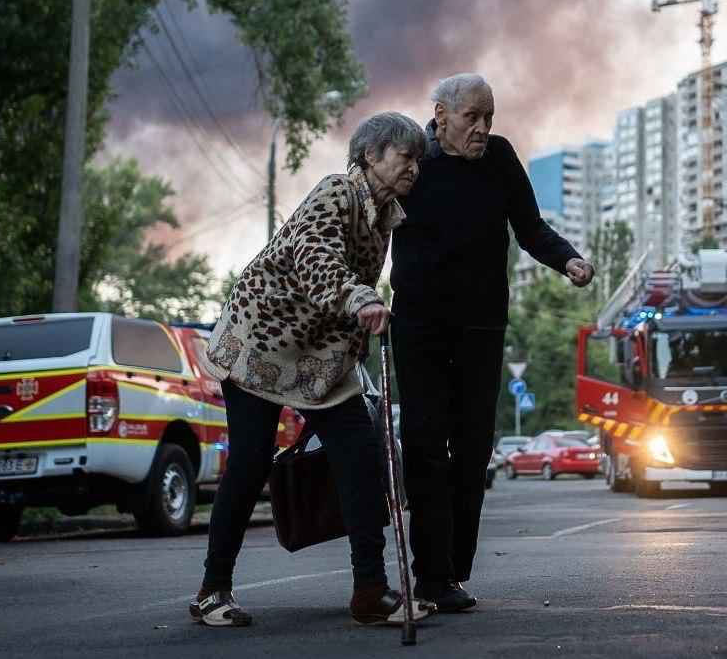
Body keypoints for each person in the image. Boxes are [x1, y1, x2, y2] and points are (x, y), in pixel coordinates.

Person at [191, 112, 433, 628]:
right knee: (251, 462)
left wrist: (360, 323)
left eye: (418, 159)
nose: (414, 167)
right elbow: (316, 257)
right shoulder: (336, 193)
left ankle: (370, 591)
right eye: (405, 156)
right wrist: (360, 296)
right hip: (262, 345)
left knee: (361, 457)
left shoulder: (384, 216)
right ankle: (213, 591)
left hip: (321, 360)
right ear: (371, 155)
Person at [390, 73, 595, 612]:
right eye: (471, 118)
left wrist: (567, 259)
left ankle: (453, 569)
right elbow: (370, 219)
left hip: (481, 327)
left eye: (489, 118)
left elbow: (530, 227)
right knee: (426, 446)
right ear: (440, 114)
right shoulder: (413, 160)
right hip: (419, 327)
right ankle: (429, 575)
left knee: (474, 447)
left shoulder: (500, 159)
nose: (482, 129)